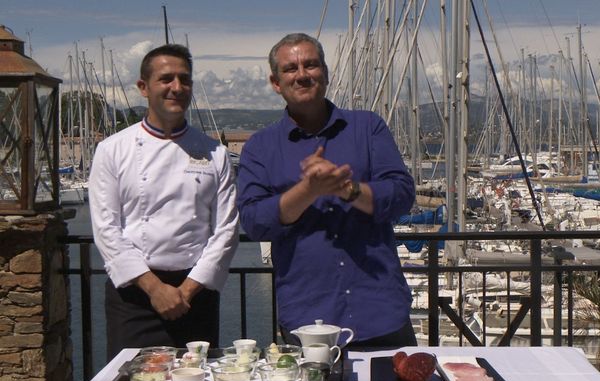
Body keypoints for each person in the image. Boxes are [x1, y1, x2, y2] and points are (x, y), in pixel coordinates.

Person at [236, 33, 417, 348]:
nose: (302, 74)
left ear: (326, 73)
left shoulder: (368, 127)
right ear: (276, 82)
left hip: (381, 311)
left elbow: (401, 195)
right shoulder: (260, 148)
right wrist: (308, 190)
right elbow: (254, 221)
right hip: (307, 318)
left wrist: (347, 189)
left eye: (311, 65)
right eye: (291, 68)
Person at [89, 44, 239, 359]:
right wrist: (155, 289)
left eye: (184, 80)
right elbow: (106, 229)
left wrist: (185, 292)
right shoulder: (112, 150)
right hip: (134, 297)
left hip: (194, 296)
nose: (177, 88)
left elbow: (225, 230)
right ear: (143, 87)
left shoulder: (215, 153)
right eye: (166, 79)